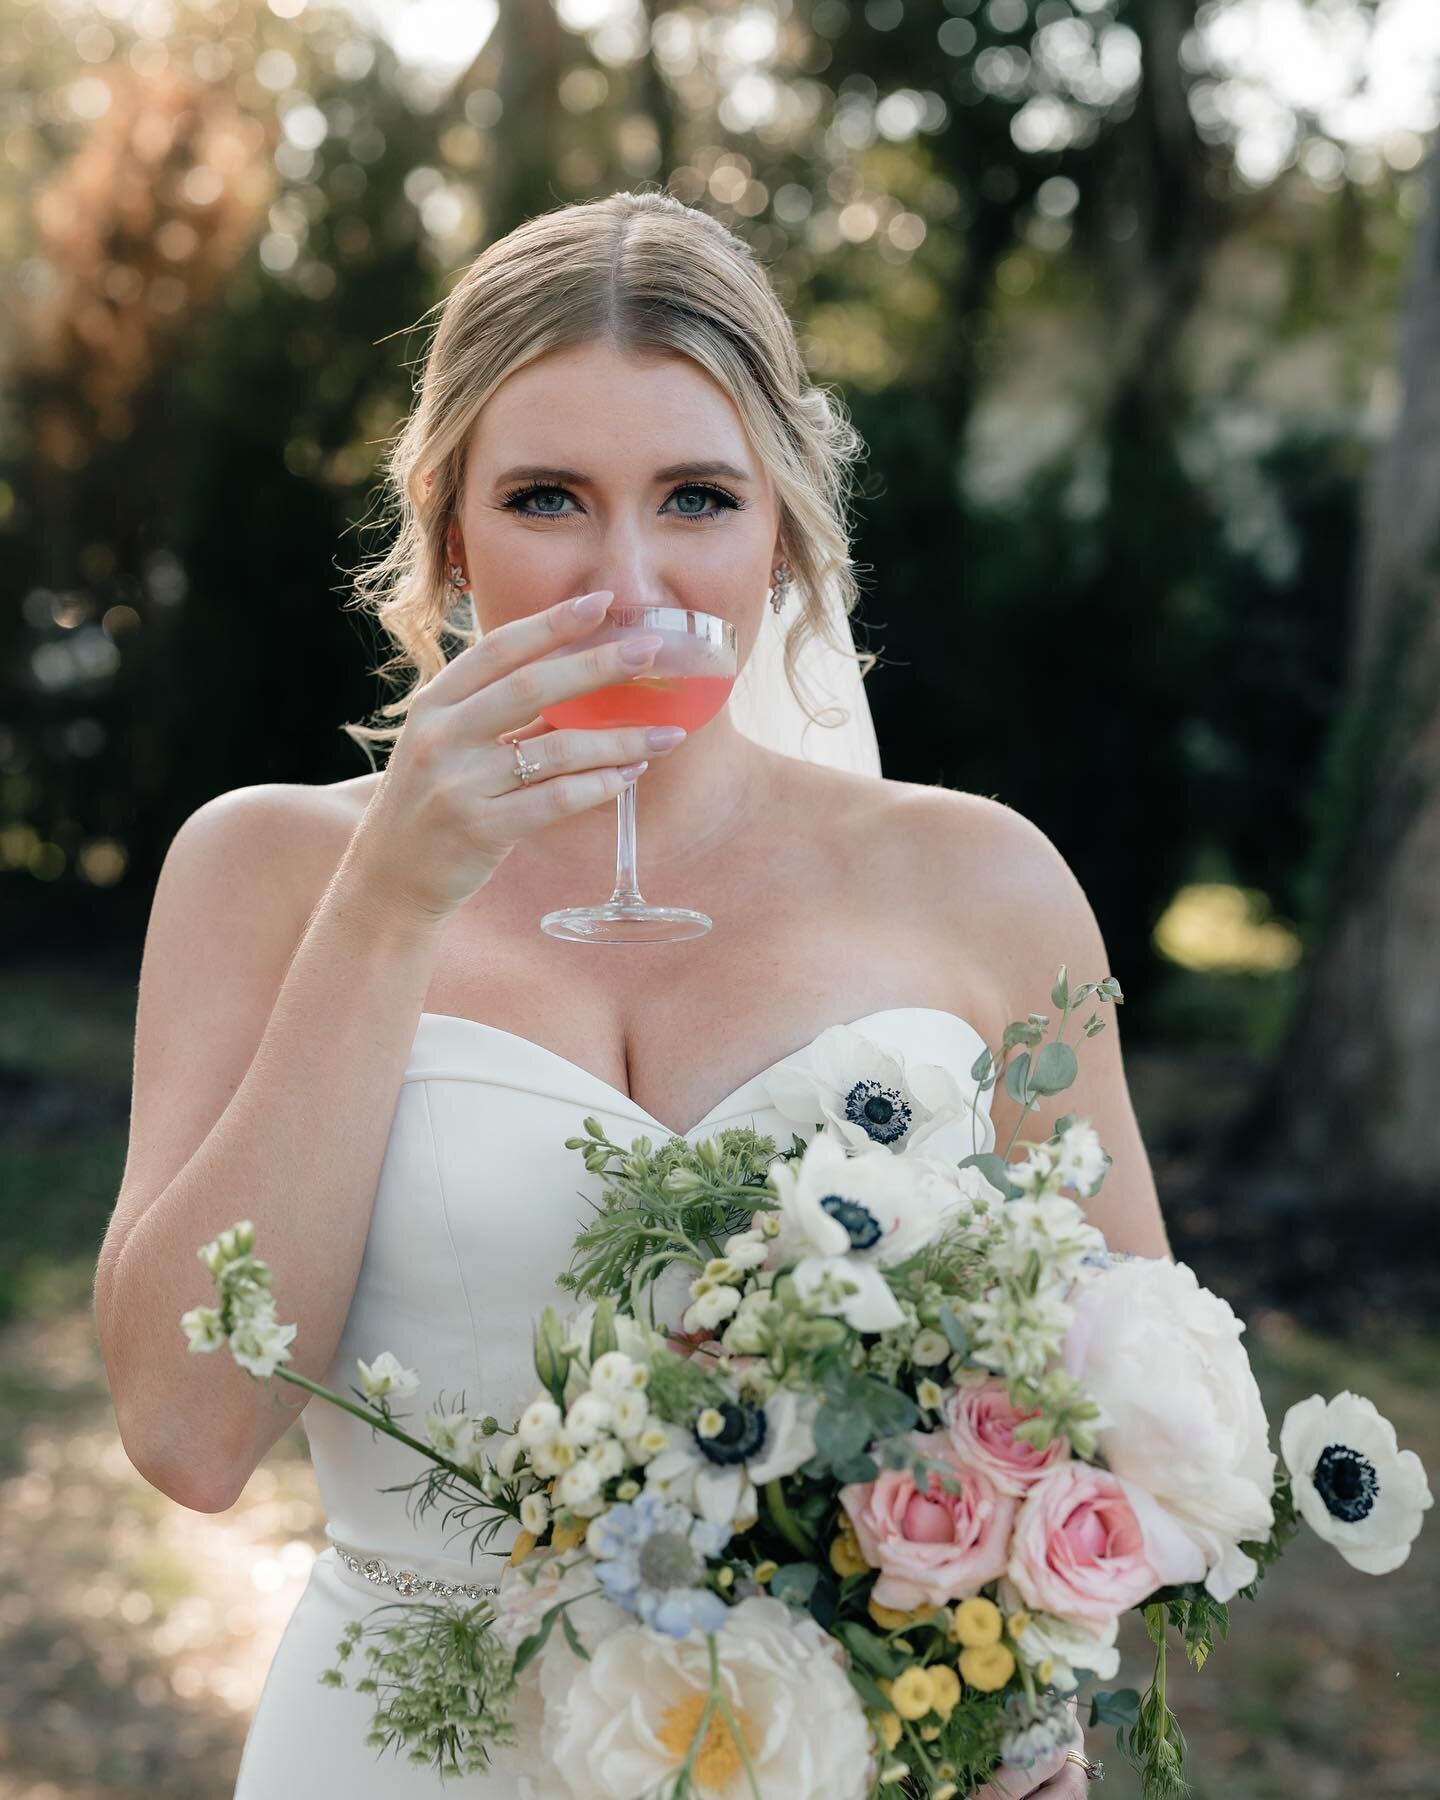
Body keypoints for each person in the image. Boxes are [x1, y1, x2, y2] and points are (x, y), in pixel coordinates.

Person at [94, 189, 1164, 1797]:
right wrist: (389, 902)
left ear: (785, 528)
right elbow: (187, 1435)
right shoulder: (260, 871)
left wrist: (1030, 1708)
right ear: (447, 525)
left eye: (695, 497)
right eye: (546, 498)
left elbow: (1139, 1404)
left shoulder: (984, 884)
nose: (627, 577)